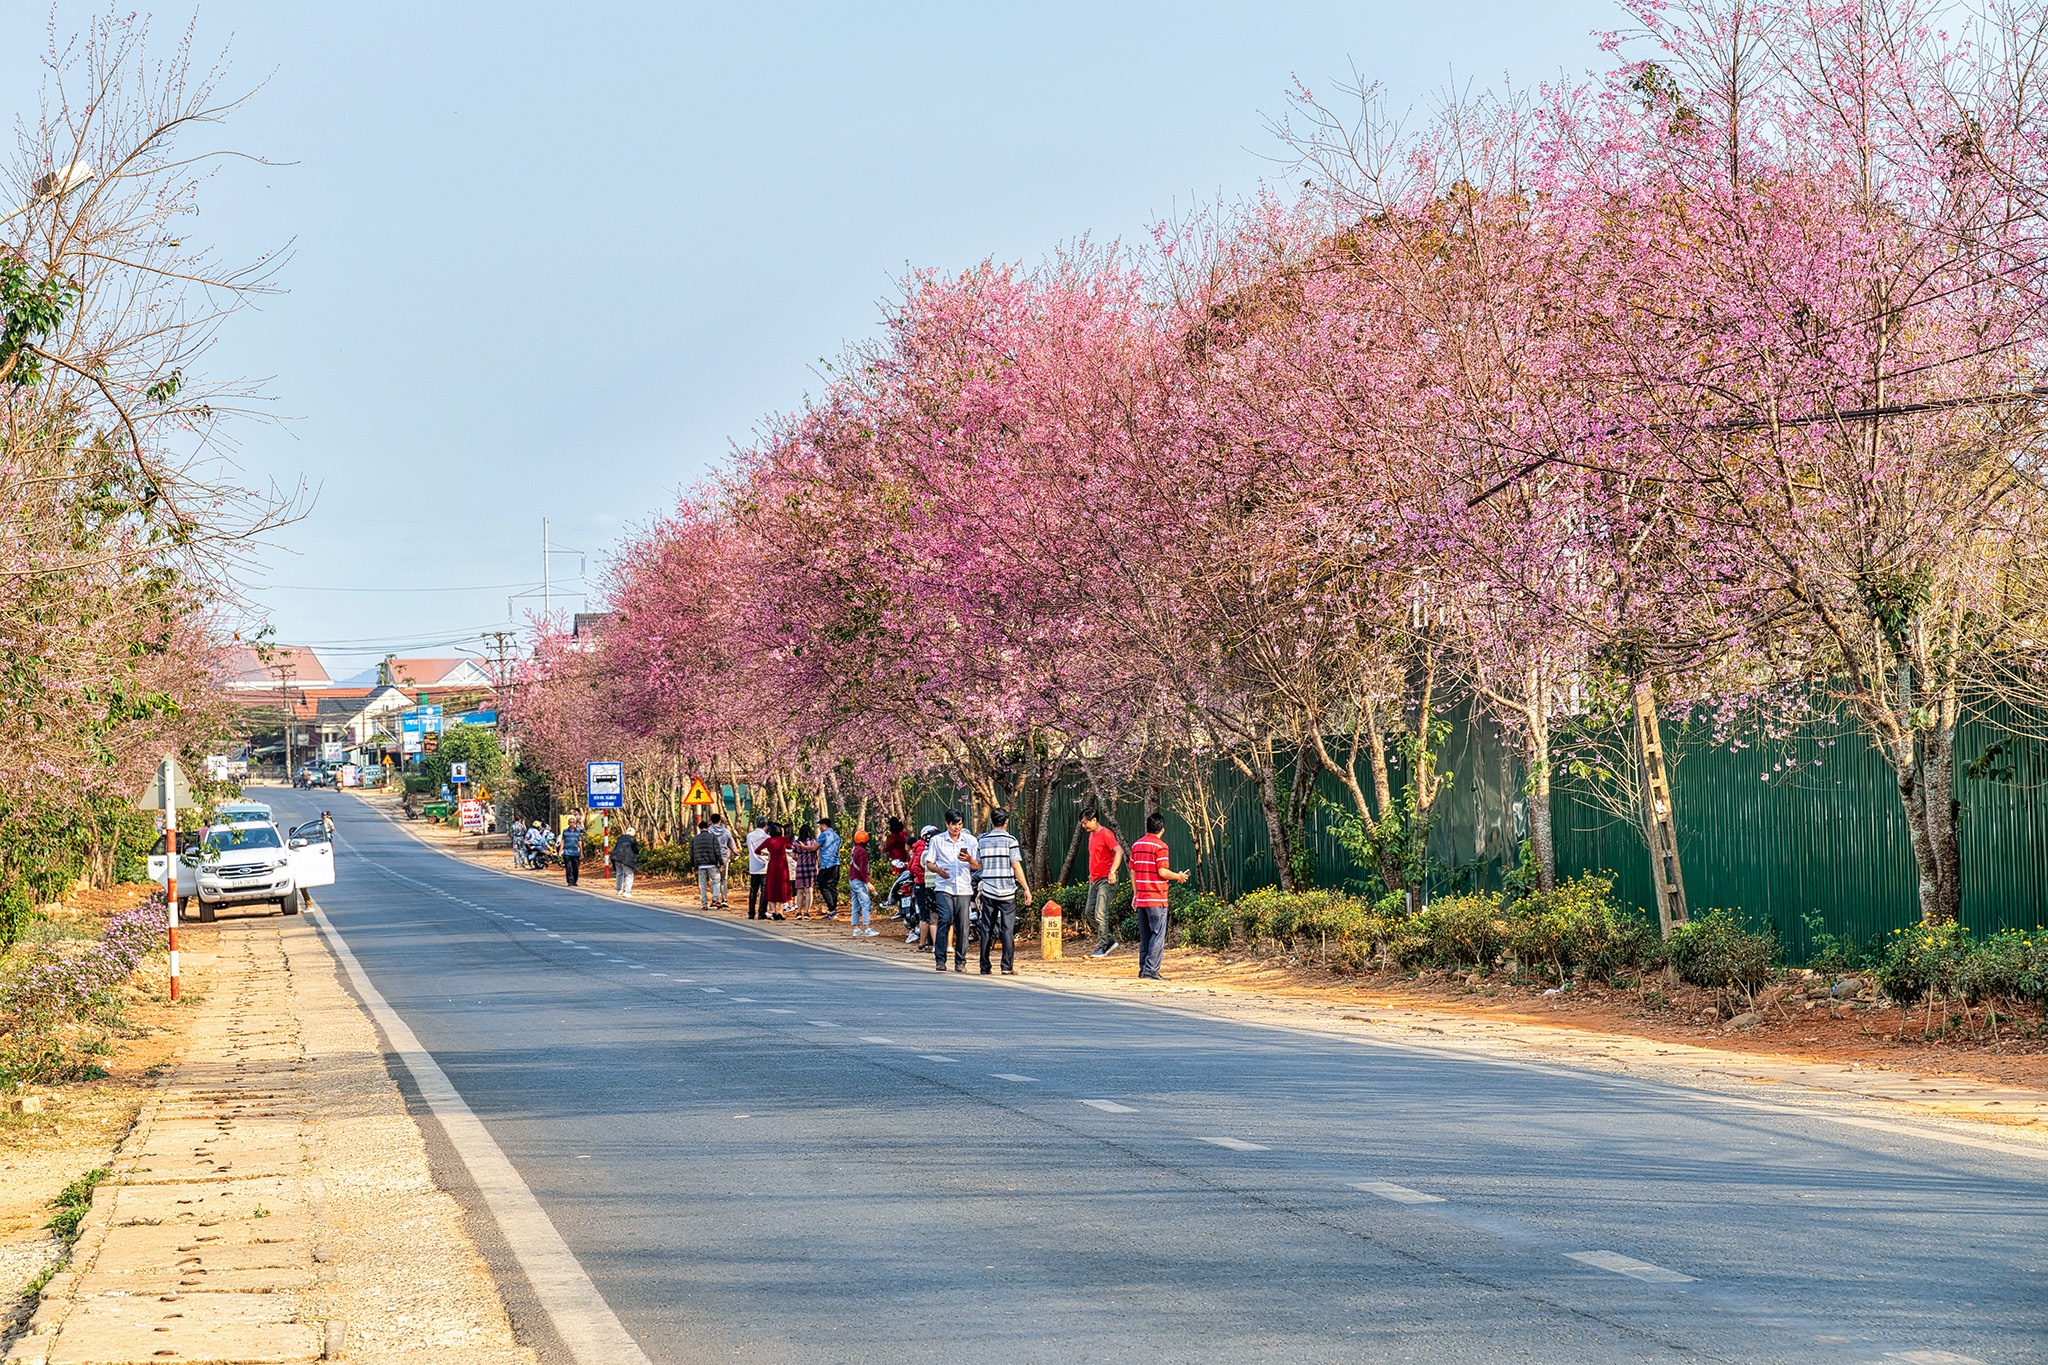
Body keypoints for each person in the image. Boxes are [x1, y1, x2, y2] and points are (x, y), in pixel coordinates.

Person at [1128, 813, 1187, 980]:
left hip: (1142, 898)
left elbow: (1132, 871)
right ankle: (1151, 969)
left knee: (1145, 935)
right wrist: (1178, 876)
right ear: (1162, 829)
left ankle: (1143, 969)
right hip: (1157, 898)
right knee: (1158, 934)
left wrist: (1136, 894)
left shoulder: (1136, 845)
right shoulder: (1161, 847)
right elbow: (1162, 871)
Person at [975, 808, 1031, 975]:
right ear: (1006, 822)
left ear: (992, 821)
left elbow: (979, 865)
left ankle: (984, 966)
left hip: (988, 891)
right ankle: (1006, 967)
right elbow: (1016, 865)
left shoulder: (982, 841)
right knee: (1007, 929)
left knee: (986, 928)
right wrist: (1026, 888)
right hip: (1007, 892)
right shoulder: (1011, 840)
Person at [924, 809, 980, 973]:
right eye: (954, 824)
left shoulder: (970, 840)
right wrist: (938, 870)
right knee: (945, 919)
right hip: (944, 887)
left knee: (963, 925)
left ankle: (960, 961)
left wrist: (969, 859)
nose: (957, 827)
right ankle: (940, 959)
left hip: (963, 888)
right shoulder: (937, 840)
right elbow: (929, 863)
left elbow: (977, 865)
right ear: (947, 824)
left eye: (960, 823)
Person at [1082, 807, 1123, 957]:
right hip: (1094, 880)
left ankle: (1102, 946)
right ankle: (1109, 940)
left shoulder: (1106, 833)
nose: (1084, 826)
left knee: (1100, 913)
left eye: (1085, 823)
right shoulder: (1091, 835)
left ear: (1094, 820)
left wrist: (1112, 871)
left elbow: (1119, 851)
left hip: (1106, 880)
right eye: (1082, 823)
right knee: (1089, 912)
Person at [909, 824, 938, 948]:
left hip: (923, 884)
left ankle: (924, 943)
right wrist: (925, 878)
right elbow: (914, 867)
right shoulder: (923, 848)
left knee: (926, 915)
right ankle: (923, 943)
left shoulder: (920, 847)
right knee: (927, 916)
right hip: (924, 885)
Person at [758, 821, 794, 919]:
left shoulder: (769, 840)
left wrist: (767, 854)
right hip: (782, 864)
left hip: (772, 864)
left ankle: (772, 910)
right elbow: (790, 847)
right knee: (782, 886)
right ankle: (781, 911)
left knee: (771, 886)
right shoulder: (784, 839)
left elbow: (757, 850)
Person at [690, 817, 726, 910]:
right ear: (707, 827)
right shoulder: (712, 837)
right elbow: (717, 851)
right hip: (712, 863)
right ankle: (715, 900)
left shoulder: (695, 839)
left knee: (702, 884)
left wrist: (693, 865)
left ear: (699, 828)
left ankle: (704, 903)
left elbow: (692, 853)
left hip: (701, 865)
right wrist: (721, 863)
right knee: (715, 881)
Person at [847, 829, 875, 937]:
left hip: (852, 879)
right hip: (859, 881)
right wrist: (868, 882)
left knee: (855, 904)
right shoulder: (862, 852)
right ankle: (867, 928)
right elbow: (863, 870)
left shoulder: (854, 849)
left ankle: (856, 928)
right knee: (865, 903)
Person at [815, 817, 842, 919]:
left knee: (822, 884)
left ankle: (832, 910)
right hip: (836, 864)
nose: (820, 828)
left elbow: (814, 847)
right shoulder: (836, 836)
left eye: (820, 826)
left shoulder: (824, 834)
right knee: (833, 886)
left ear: (824, 826)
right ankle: (833, 910)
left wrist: (803, 847)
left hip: (827, 865)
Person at [708, 813, 737, 907]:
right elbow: (731, 844)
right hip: (724, 857)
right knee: (723, 879)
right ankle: (724, 899)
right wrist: (736, 853)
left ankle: (715, 899)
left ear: (711, 821)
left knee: (714, 879)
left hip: (712, 858)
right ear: (720, 821)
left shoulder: (708, 832)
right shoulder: (726, 832)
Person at [792, 824, 820, 918]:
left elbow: (793, 855)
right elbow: (817, 855)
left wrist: (799, 859)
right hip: (811, 867)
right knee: (809, 890)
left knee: (800, 891)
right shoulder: (813, 842)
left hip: (800, 867)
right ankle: (807, 912)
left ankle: (799, 912)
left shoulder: (797, 843)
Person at [746, 816, 770, 918]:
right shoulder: (767, 837)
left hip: (754, 865)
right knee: (764, 890)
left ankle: (751, 912)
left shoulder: (749, 836)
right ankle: (762, 912)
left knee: (753, 889)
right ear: (766, 826)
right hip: (765, 865)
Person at [613, 825, 639, 897]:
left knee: (619, 873)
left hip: (616, 858)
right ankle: (626, 891)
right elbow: (636, 850)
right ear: (633, 833)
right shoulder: (632, 839)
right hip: (627, 859)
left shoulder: (620, 838)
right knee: (629, 875)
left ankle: (618, 890)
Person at [561, 817, 584, 886]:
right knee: (568, 867)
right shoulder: (565, 831)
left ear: (575, 823)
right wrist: (560, 851)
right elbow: (563, 841)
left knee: (575, 867)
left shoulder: (577, 832)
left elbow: (579, 842)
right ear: (568, 823)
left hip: (575, 853)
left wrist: (581, 852)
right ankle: (570, 881)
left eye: (573, 822)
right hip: (567, 852)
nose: (572, 824)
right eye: (570, 822)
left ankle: (574, 881)